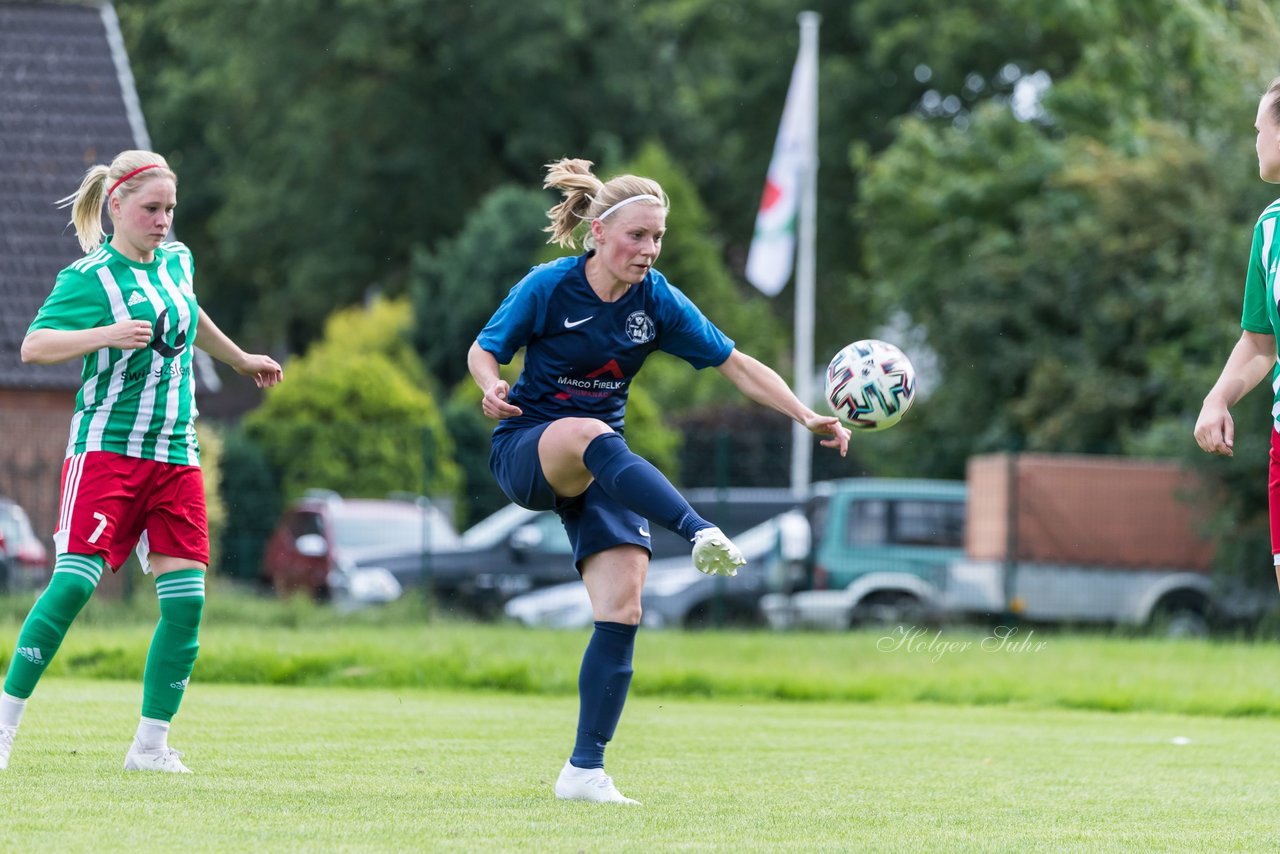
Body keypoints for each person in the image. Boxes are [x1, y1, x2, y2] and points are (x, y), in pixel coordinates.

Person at [468, 158, 850, 804]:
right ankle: (698, 530)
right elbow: (484, 349)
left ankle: (584, 771)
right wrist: (490, 387)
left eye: (657, 238)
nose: (648, 250)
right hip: (531, 451)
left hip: (601, 465)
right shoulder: (548, 287)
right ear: (598, 235)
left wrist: (805, 413)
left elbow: (737, 364)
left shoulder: (658, 301)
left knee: (623, 607)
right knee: (590, 434)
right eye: (637, 236)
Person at [0, 150, 283, 773]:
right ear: (116, 208)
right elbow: (33, 347)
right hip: (107, 451)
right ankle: (4, 728)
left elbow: (190, 314)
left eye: (170, 210)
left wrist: (240, 360)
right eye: (152, 210)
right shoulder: (89, 278)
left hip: (175, 455)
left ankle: (149, 748)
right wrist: (106, 333)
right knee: (74, 584)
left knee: (186, 603)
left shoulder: (177, 261)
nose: (162, 221)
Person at [1196, 76, 1280, 592]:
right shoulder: (1270, 228)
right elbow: (1260, 341)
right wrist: (1217, 398)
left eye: (1259, 127)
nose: (1254, 139)